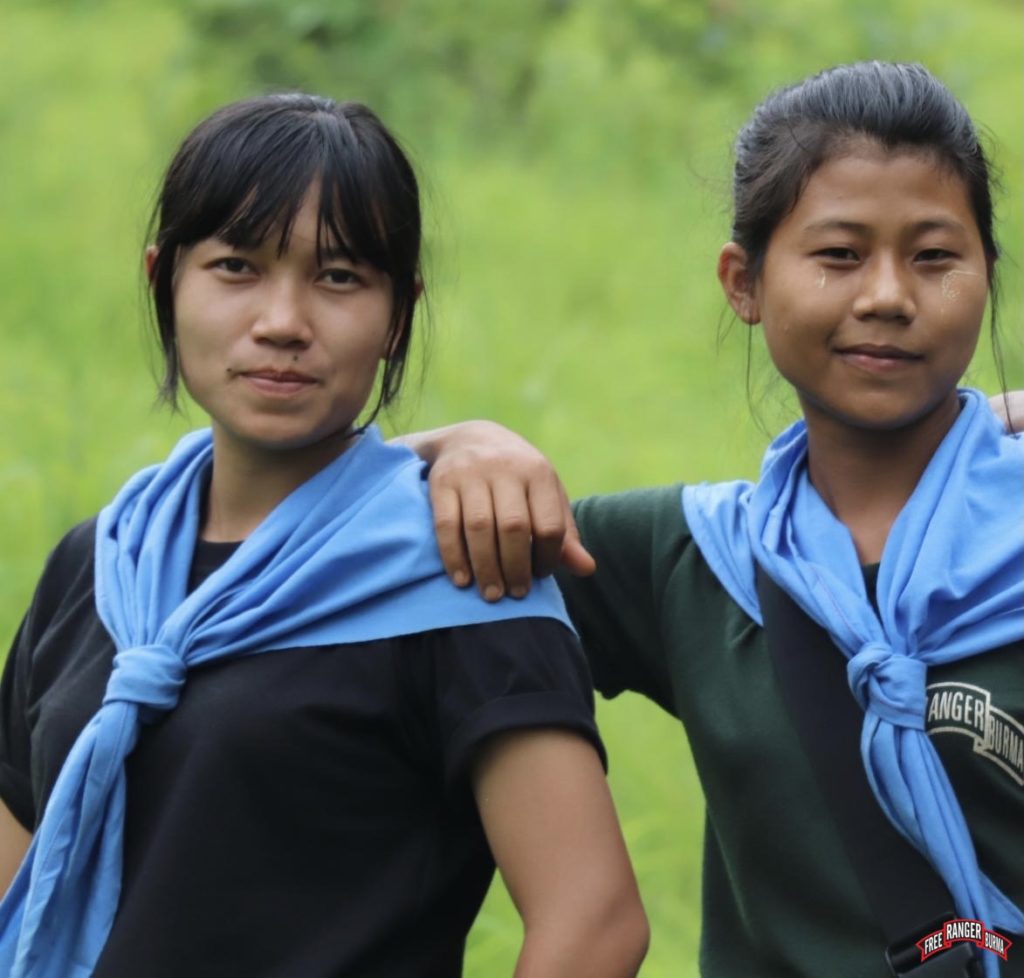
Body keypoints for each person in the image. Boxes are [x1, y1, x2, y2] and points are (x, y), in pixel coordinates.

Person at [0, 94, 649, 978]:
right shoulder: (102, 562)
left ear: (395, 315)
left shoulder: (459, 577)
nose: (282, 321)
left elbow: (595, 922)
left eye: (339, 277)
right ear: (164, 279)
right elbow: (18, 879)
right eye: (235, 267)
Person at [405, 62, 1024, 977]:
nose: (889, 295)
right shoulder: (685, 563)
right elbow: (322, 529)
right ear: (744, 282)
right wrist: (463, 443)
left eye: (934, 256)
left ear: (986, 275)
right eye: (839, 254)